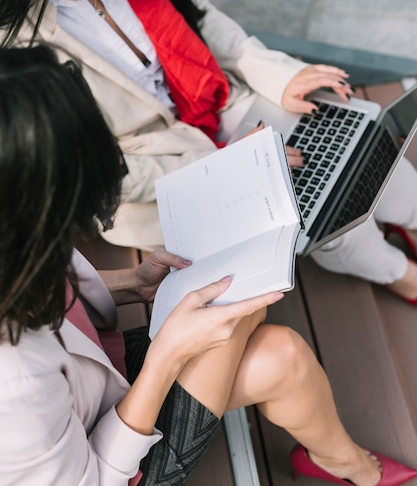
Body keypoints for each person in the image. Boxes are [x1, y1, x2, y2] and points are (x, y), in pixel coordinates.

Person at [1, 0, 417, 304]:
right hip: (161, 171)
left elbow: (199, 16)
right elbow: (89, 173)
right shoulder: (11, 43)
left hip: (209, 99)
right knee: (319, 212)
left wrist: (277, 72)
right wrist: (220, 170)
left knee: (360, 148)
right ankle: (398, 271)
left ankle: (407, 217)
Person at [1, 43, 417, 485]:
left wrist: (130, 283)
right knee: (240, 302)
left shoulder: (15, 230)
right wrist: (165, 356)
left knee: (282, 353)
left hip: (98, 383)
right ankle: (349, 465)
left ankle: (339, 461)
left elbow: (41, 293)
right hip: (117, 466)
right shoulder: (13, 389)